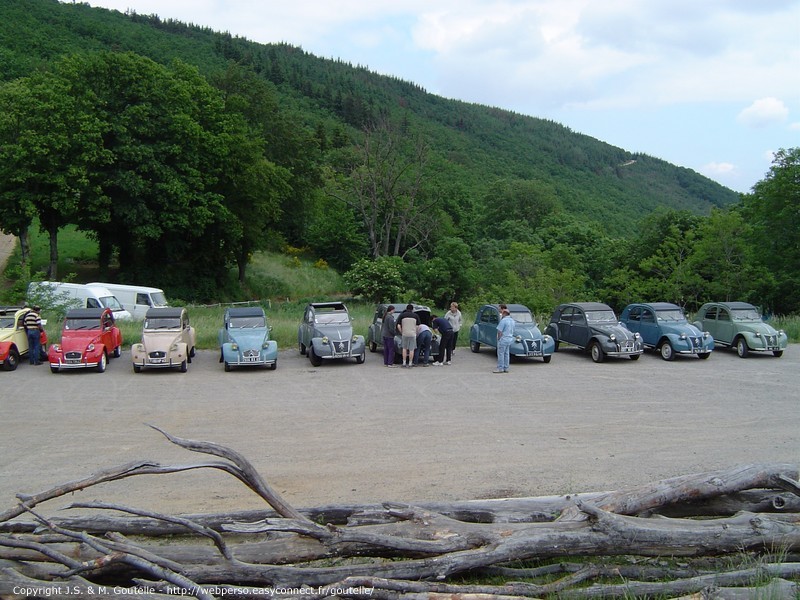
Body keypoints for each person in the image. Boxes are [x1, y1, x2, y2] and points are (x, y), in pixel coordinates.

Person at [495, 307, 514, 373]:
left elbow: (499, 331)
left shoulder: (503, 321)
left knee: (501, 354)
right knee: (506, 354)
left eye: (502, 313)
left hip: (503, 339)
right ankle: (506, 367)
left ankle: (500, 368)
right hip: (509, 339)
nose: (501, 314)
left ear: (505, 313)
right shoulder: (512, 321)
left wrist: (499, 338)